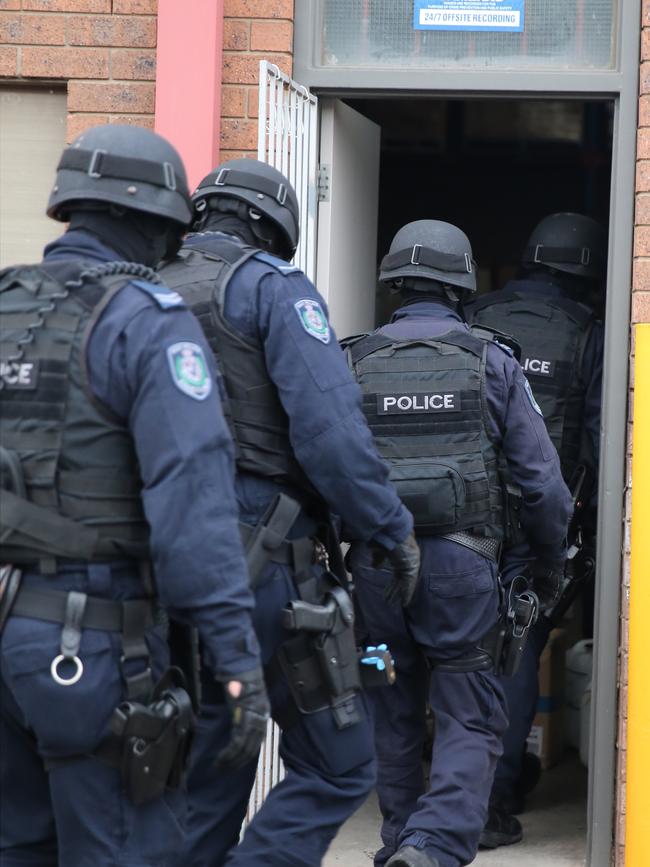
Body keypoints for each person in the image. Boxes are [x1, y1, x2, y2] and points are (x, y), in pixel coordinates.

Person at [0, 125, 268, 867]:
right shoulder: (145, 321)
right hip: (90, 650)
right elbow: (193, 517)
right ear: (156, 224)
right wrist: (238, 663)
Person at [158, 158, 420, 867]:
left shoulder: (141, 289)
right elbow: (332, 433)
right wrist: (389, 527)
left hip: (150, 565)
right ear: (272, 226)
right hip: (261, 558)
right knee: (338, 763)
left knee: (211, 760)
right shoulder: (269, 287)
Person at [343, 219, 573, 867]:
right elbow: (544, 485)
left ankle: (399, 839)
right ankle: (432, 845)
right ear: (462, 284)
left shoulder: (350, 360)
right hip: (461, 572)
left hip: (375, 573)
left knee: (389, 707)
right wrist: (546, 565)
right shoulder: (490, 360)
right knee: (469, 711)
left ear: (393, 281)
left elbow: (321, 466)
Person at [467, 212, 606, 848]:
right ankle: (491, 806)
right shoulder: (591, 332)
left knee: (455, 649)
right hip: (542, 518)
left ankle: (442, 796)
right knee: (516, 652)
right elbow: (603, 439)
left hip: (462, 510)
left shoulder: (477, 313)